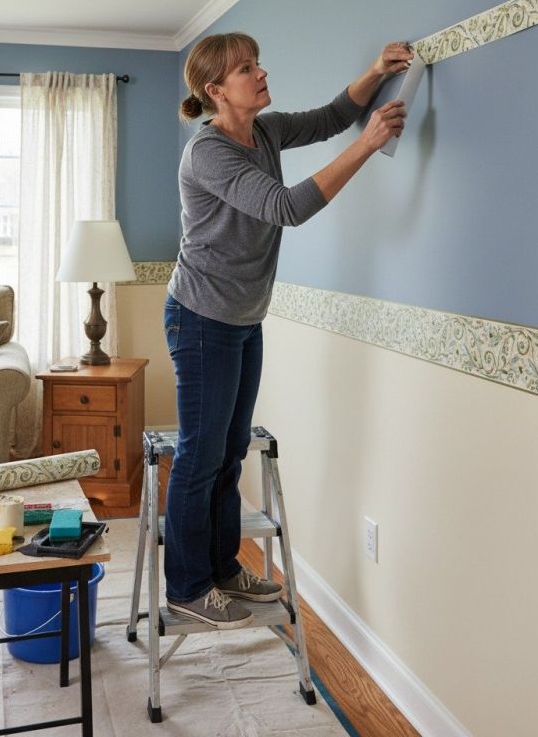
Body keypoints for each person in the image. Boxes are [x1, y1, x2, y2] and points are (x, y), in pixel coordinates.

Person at [164, 32, 413, 628]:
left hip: (243, 319)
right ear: (215, 90)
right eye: (245, 68)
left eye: (257, 62)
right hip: (201, 319)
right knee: (200, 456)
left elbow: (333, 116)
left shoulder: (266, 132)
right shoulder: (209, 153)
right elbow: (287, 207)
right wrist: (371, 142)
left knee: (228, 454)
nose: (260, 72)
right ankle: (186, 586)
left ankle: (223, 568)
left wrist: (377, 69)